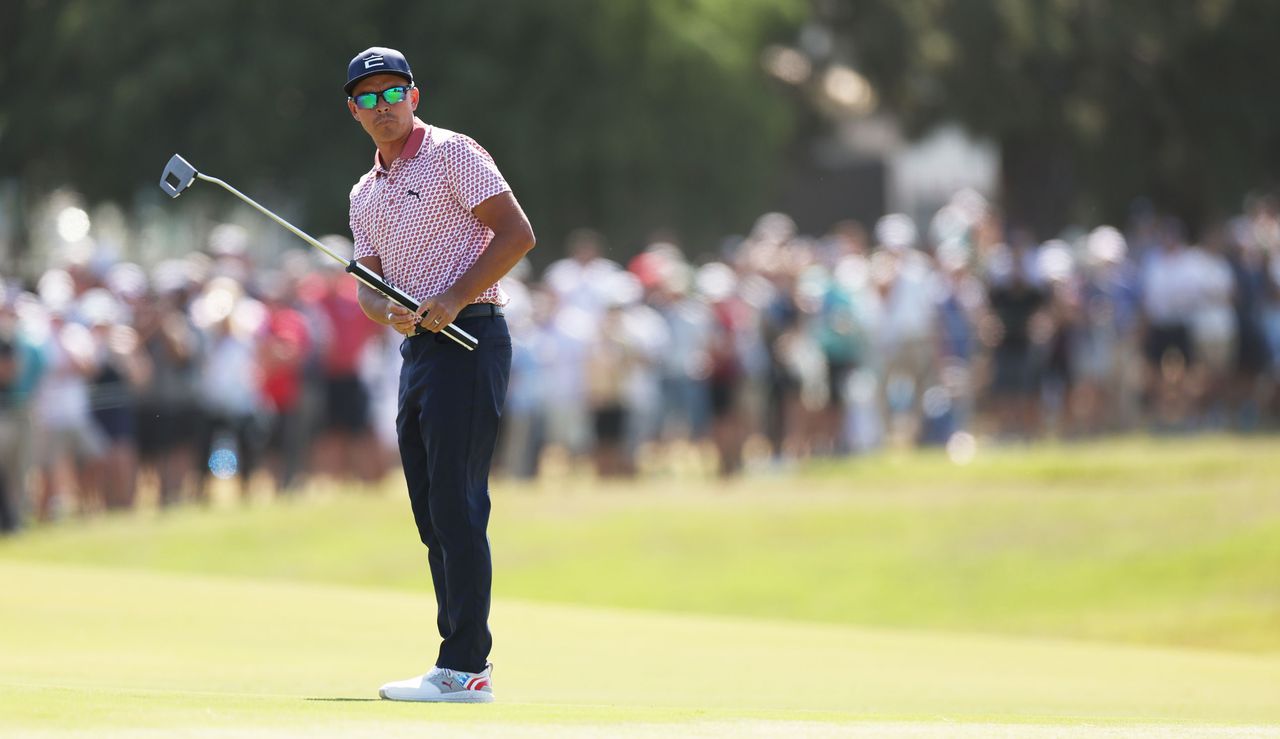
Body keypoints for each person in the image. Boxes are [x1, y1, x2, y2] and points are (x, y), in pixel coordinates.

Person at [343, 47, 535, 703]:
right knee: (431, 511)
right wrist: (384, 309)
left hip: (471, 333)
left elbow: (516, 234)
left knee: (458, 502)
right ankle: (456, 661)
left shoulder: (455, 154)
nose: (382, 106)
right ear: (354, 111)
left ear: (414, 96)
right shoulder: (364, 192)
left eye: (392, 92)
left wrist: (451, 296)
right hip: (420, 351)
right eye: (367, 98)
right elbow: (369, 283)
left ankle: (466, 664)